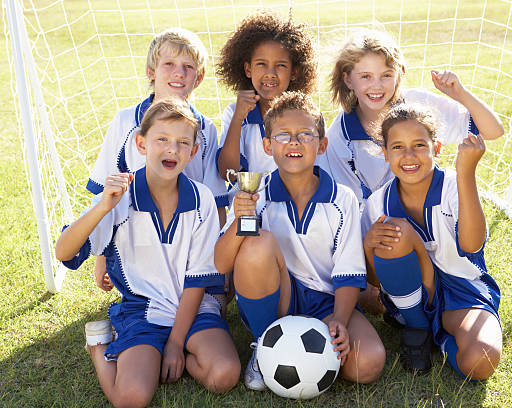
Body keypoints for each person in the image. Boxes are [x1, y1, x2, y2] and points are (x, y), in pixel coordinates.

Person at [56, 99, 240, 407]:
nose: (173, 149)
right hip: (143, 310)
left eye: (183, 143)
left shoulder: (202, 200)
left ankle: (173, 351)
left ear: (193, 152)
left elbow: (197, 281)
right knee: (132, 398)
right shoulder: (118, 197)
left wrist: (175, 344)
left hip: (194, 308)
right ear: (141, 143)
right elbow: (64, 252)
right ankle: (100, 348)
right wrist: (102, 206)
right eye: (162, 139)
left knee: (224, 374)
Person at [319, 29, 504, 314]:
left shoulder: (418, 106)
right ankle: (407, 305)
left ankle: (438, 293)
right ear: (347, 78)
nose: (376, 85)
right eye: (365, 76)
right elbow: (350, 210)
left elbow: (493, 130)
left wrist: (460, 94)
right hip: (390, 234)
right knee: (367, 297)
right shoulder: (341, 134)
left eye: (385, 74)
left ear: (400, 73)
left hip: (436, 224)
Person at [215, 91, 386, 391]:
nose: (294, 142)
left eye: (305, 134)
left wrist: (340, 320)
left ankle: (314, 356)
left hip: (327, 301)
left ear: (321, 145)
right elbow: (221, 262)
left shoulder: (342, 200)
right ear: (268, 146)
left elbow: (348, 273)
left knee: (369, 362)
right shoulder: (257, 195)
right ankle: (264, 345)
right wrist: (242, 220)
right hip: (276, 296)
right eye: (283, 135)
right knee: (257, 243)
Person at [87, 28, 228, 306]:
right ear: (151, 71)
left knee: (208, 310)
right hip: (138, 247)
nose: (179, 73)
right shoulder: (125, 121)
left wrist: (221, 265)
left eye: (188, 67)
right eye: (169, 64)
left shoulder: (206, 129)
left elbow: (216, 200)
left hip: (190, 243)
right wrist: (101, 258)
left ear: (198, 79)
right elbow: (105, 192)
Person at [362, 104, 502, 379]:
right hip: (412, 294)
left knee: (482, 360)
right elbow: (375, 282)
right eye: (398, 147)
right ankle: (418, 327)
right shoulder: (377, 203)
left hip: (462, 290)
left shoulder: (452, 184)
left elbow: (472, 246)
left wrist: (467, 173)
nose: (409, 155)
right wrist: (369, 246)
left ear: (437, 148)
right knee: (395, 232)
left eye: (419, 145)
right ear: (385, 153)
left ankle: (440, 339)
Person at [215, 9, 317, 179]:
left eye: (281, 65)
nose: (270, 73)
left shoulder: (307, 115)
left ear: (294, 72)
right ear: (248, 69)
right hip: (247, 203)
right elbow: (228, 174)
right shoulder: (234, 113)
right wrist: (238, 118)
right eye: (261, 64)